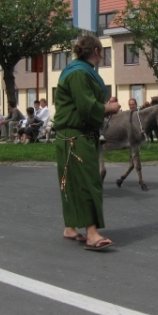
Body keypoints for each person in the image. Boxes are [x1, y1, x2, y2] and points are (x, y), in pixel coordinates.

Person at [54, 35, 121, 251]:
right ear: (96, 51)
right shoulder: (80, 73)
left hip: (71, 135)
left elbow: (82, 102)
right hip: (77, 135)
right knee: (88, 182)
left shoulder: (77, 69)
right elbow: (86, 107)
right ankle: (92, 234)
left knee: (70, 182)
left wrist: (100, 105)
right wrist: (107, 109)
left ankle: (70, 227)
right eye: (103, 51)